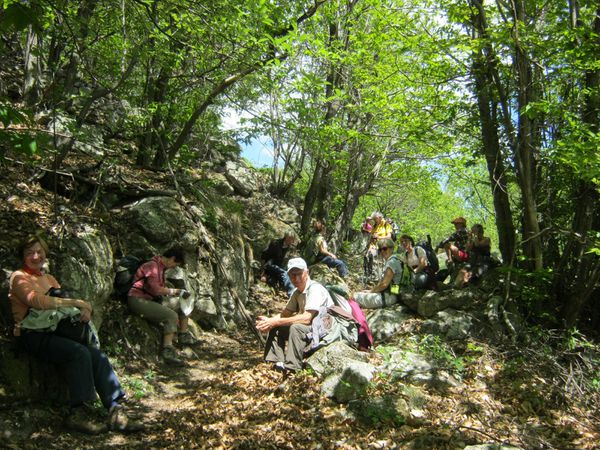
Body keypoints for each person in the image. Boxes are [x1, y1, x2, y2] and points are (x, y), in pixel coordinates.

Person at [9, 234, 143, 435]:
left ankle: (115, 409)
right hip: (31, 335)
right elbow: (37, 301)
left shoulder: (48, 278)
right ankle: (78, 412)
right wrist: (78, 303)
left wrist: (85, 310)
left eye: (39, 252)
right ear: (22, 256)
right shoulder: (19, 277)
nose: (35, 256)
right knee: (79, 352)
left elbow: (63, 307)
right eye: (29, 253)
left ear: (45, 254)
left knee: (96, 355)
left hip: (53, 330)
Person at [256, 257, 333, 373]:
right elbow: (284, 314)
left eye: (299, 274)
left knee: (296, 328)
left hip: (324, 328)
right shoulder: (297, 293)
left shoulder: (315, 289)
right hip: (312, 328)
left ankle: (292, 368)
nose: (296, 278)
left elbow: (307, 318)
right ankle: (276, 363)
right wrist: (269, 322)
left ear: (306, 273)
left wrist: (274, 322)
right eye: (292, 275)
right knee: (276, 327)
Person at [127, 246, 192, 366]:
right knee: (171, 316)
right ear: (172, 258)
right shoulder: (153, 266)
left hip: (149, 299)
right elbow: (156, 290)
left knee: (183, 303)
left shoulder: (160, 267)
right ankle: (168, 352)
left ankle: (183, 336)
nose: (174, 267)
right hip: (137, 300)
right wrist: (177, 291)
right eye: (176, 264)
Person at [354, 238, 403, 309]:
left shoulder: (392, 262)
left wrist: (371, 291)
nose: (382, 251)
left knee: (354, 296)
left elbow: (384, 284)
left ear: (392, 249)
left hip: (388, 298)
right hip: (394, 294)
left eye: (385, 248)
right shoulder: (398, 259)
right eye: (380, 250)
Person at [259, 230, 298, 296]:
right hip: (271, 264)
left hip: (280, 266)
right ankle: (292, 293)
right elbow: (267, 256)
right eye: (290, 239)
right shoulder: (276, 244)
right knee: (284, 273)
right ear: (286, 237)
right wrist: (264, 272)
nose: (291, 241)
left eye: (292, 239)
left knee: (288, 273)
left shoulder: (290, 248)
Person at [363, 212, 393, 279]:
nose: (374, 220)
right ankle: (367, 275)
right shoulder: (375, 226)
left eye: (375, 218)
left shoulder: (386, 225)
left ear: (379, 218)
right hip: (373, 246)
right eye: (373, 219)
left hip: (382, 247)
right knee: (367, 257)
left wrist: (378, 237)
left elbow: (389, 236)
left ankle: (376, 277)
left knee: (377, 261)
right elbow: (372, 235)